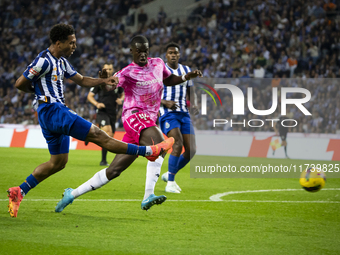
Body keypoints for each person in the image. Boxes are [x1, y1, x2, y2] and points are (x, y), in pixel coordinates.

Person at [7, 25, 173, 218]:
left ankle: (20, 190)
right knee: (98, 135)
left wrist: (103, 81)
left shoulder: (62, 62)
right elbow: (20, 83)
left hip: (51, 113)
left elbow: (82, 80)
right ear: (59, 43)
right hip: (53, 109)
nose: (74, 46)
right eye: (72, 43)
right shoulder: (43, 61)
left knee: (58, 162)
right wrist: (40, 93)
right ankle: (148, 151)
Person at [55, 35, 202, 212]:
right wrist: (103, 83)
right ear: (132, 51)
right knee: (160, 146)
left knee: (114, 171)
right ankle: (148, 195)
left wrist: (186, 76)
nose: (142, 54)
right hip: (134, 116)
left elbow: (169, 79)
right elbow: (111, 86)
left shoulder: (157, 63)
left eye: (145, 50)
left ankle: (72, 194)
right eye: (139, 50)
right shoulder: (127, 72)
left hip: (148, 120)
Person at [159, 42, 198, 193]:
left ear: (179, 55)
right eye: (170, 53)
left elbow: (190, 91)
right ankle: (170, 183)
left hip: (184, 114)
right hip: (167, 113)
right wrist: (165, 102)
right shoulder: (161, 71)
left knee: (191, 150)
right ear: (166, 55)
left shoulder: (186, 70)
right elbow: (151, 93)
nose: (173, 55)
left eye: (175, 52)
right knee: (177, 143)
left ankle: (170, 173)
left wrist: (192, 105)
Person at [87, 63, 125, 166]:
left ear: (113, 70)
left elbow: (122, 94)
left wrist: (120, 99)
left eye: (109, 69)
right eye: (106, 69)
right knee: (108, 133)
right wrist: (97, 104)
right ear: (103, 70)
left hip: (113, 113)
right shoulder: (100, 82)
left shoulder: (116, 82)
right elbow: (90, 96)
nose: (107, 71)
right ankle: (103, 161)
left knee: (110, 136)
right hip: (102, 112)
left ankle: (90, 136)